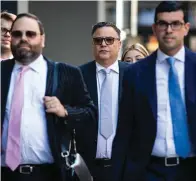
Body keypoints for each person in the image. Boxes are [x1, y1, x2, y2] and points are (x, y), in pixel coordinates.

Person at [1, 13, 97, 181]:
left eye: (30, 34)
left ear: (42, 39)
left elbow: (90, 115)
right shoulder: (2, 72)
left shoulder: (66, 73)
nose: (23, 39)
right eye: (17, 34)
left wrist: (65, 111)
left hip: (49, 174)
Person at [112, 1, 196, 181]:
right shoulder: (135, 73)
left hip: (191, 170)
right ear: (154, 28)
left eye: (175, 24)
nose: (169, 29)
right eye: (163, 24)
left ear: (186, 28)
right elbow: (124, 130)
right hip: (149, 171)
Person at [79, 22, 129, 181]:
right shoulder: (78, 75)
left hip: (125, 166)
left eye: (109, 40)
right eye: (98, 40)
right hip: (88, 167)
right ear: (92, 44)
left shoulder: (133, 74)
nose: (103, 44)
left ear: (119, 44)